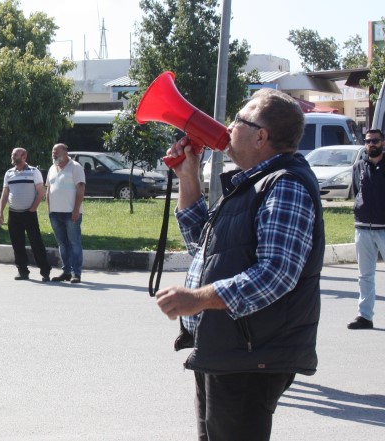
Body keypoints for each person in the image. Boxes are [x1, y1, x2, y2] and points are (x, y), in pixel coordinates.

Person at [154, 88, 323, 441]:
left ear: (262, 136)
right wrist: (188, 176)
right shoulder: (254, 184)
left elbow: (277, 273)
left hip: (251, 353)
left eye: (239, 120)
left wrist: (200, 298)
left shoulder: (285, 184)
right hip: (229, 348)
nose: (228, 127)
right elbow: (206, 246)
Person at [348, 129, 385, 330]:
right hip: (363, 228)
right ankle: (365, 317)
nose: (371, 144)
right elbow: (356, 192)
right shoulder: (359, 167)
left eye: (375, 141)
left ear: (383, 143)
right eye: (368, 141)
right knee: (365, 275)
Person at [0, 147, 52, 282]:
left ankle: (45, 271)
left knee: (36, 242)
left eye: (15, 154)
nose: (13, 156)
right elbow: (5, 193)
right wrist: (0, 212)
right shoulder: (9, 173)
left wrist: (33, 208)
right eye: (12, 154)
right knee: (17, 244)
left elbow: (40, 192)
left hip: (29, 213)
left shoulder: (34, 172)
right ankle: (22, 271)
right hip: (14, 214)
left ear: (24, 157)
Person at [46, 143, 85, 283]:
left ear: (65, 152)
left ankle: (76, 273)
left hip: (71, 213)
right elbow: (48, 190)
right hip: (55, 213)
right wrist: (49, 210)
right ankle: (66, 272)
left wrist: (76, 210)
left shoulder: (75, 167)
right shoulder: (52, 168)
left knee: (74, 243)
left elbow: (80, 189)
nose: (54, 154)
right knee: (62, 243)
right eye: (53, 152)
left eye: (56, 151)